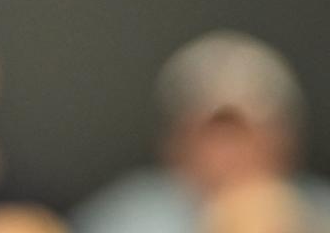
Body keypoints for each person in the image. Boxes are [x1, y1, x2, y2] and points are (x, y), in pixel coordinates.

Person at [71, 30, 330, 233]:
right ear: (176, 144)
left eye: (245, 135)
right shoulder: (131, 217)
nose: (231, 154)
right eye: (214, 136)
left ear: (284, 141)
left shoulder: (318, 211)